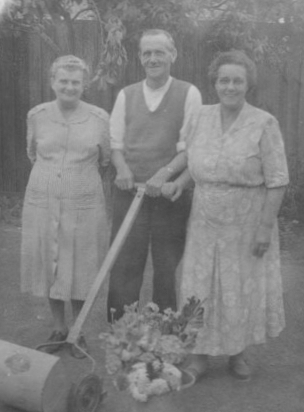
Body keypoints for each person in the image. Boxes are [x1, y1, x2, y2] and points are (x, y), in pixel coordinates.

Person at [162, 50, 289, 381]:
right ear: (214, 83)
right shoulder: (200, 117)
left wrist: (264, 228)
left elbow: (277, 181)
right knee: (198, 287)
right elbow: (198, 161)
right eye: (224, 80)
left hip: (246, 223)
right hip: (204, 220)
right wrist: (179, 182)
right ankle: (200, 354)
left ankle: (238, 353)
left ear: (248, 85)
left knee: (239, 288)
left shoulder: (264, 123)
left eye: (237, 80)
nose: (230, 86)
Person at [107, 29, 202, 322]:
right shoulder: (127, 95)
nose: (153, 58)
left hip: (168, 194)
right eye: (147, 53)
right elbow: (115, 145)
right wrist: (122, 169)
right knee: (125, 265)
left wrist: (165, 173)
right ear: (140, 58)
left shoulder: (189, 93)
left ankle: (165, 339)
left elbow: (192, 147)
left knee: (165, 267)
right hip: (129, 191)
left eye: (159, 52)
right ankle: (122, 337)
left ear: (172, 55)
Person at [21, 55, 110, 356]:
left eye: (75, 82)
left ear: (84, 85)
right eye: (63, 81)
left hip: (84, 203)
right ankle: (59, 327)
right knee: (51, 264)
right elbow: (33, 153)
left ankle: (79, 330)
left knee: (82, 266)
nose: (69, 87)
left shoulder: (99, 119)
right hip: (43, 201)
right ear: (52, 82)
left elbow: (105, 160)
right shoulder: (37, 115)